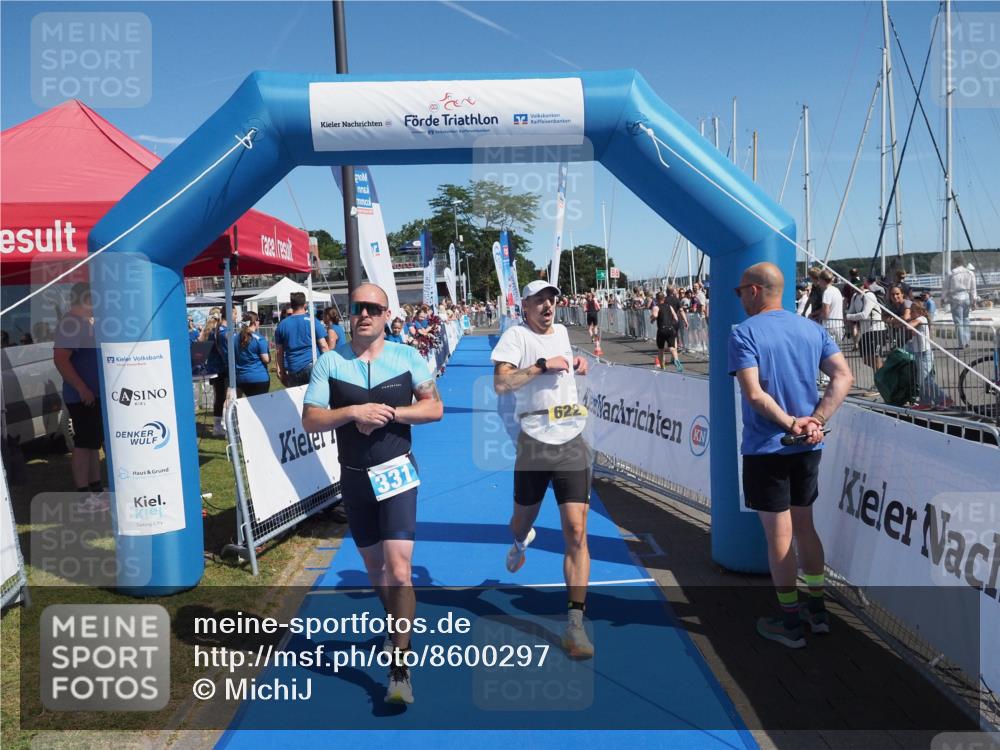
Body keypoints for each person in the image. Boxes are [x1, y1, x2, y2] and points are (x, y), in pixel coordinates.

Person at [302, 283, 443, 705]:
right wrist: (351, 412)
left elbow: (434, 408)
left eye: (373, 308)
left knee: (400, 570)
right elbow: (311, 419)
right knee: (375, 568)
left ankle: (399, 668)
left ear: (386, 314)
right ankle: (395, 623)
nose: (364, 314)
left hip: (397, 473)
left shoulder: (407, 357)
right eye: (357, 307)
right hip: (354, 479)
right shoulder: (329, 362)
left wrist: (390, 414)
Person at [728, 263, 853, 648]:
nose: (739, 299)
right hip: (807, 446)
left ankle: (789, 621)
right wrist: (814, 420)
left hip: (770, 447)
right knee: (805, 527)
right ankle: (817, 611)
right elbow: (844, 376)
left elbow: (754, 395)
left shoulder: (743, 333)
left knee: (779, 536)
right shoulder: (811, 329)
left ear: (753, 291)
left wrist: (790, 424)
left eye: (739, 292)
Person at [491, 280, 595, 660]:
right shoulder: (516, 337)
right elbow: (502, 384)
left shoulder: (564, 332)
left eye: (552, 298)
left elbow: (564, 371)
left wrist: (577, 364)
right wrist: (540, 366)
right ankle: (520, 541)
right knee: (520, 522)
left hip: (572, 437)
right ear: (526, 305)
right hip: (534, 439)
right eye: (540, 299)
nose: (548, 304)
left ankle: (575, 624)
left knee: (577, 530)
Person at [53, 282, 107, 511]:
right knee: (84, 445)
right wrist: (82, 387)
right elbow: (60, 359)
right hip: (82, 396)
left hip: (91, 395)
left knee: (92, 444)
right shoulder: (71, 324)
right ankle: (84, 496)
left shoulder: (84, 324)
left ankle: (95, 489)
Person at [275, 292, 330, 387]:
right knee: (317, 399)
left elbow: (279, 351)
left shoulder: (282, 325)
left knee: (297, 400)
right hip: (313, 365)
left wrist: (281, 371)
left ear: (291, 305)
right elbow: (324, 346)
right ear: (305, 304)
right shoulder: (313, 321)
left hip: (293, 367)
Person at [906, 301, 950, 410]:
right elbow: (913, 332)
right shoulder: (919, 320)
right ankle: (925, 401)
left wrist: (907, 318)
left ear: (919, 311)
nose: (911, 313)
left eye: (912, 311)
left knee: (926, 380)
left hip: (924, 353)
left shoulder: (921, 319)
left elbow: (908, 326)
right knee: (922, 380)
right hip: (919, 353)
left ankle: (944, 399)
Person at [845, 277, 887, 375]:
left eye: (857, 286)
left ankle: (879, 383)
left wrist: (848, 316)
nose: (855, 288)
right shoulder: (855, 296)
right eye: (853, 287)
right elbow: (851, 311)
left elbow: (864, 314)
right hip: (865, 331)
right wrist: (849, 315)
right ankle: (882, 374)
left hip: (876, 329)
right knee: (866, 359)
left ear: (862, 285)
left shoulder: (869, 295)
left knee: (876, 358)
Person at [199, 311, 229, 437]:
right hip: (220, 368)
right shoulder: (216, 334)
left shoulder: (206, 333)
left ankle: (218, 424)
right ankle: (222, 424)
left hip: (212, 369)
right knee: (224, 397)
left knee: (219, 397)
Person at [234, 312, 271, 397]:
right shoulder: (259, 339)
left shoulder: (235, 338)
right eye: (258, 320)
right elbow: (266, 359)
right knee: (260, 408)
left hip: (241, 378)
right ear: (254, 322)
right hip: (258, 378)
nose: (259, 322)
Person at [943, 256, 976, 349]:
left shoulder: (951, 273)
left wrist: (943, 298)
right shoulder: (970, 273)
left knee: (958, 321)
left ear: (955, 263)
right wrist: (974, 301)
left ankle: (961, 343)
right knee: (966, 319)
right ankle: (967, 341)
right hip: (966, 297)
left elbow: (945, 287)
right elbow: (973, 289)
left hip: (955, 298)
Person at [650, 288, 687, 372]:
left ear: (657, 299)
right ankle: (677, 361)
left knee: (661, 349)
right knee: (672, 348)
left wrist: (651, 318)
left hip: (662, 329)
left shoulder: (656, 307)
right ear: (664, 298)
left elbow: (655, 315)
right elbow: (676, 317)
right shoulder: (669, 306)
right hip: (670, 328)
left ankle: (663, 367)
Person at [816, 269, 844, 341]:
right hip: (839, 325)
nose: (818, 283)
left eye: (819, 280)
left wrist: (817, 318)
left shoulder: (827, 293)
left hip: (829, 327)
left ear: (823, 280)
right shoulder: (836, 290)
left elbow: (826, 313)